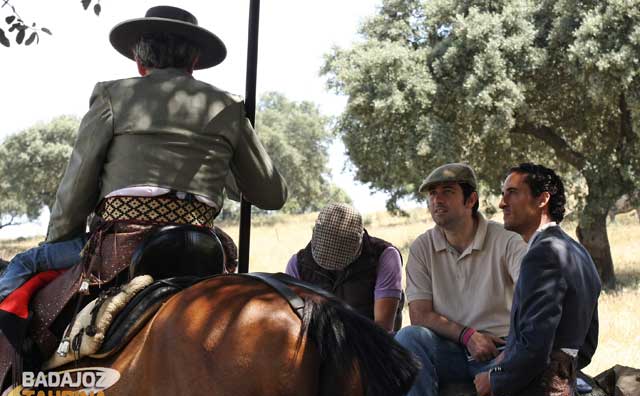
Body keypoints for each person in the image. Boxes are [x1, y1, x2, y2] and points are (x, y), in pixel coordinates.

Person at [0, 6, 287, 297]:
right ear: (194, 61)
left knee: (26, 262)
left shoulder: (112, 96)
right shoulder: (229, 107)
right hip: (202, 248)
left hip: (121, 246)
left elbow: (78, 183)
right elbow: (271, 195)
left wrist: (60, 239)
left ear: (139, 60)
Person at [395, 163, 527, 396]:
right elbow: (419, 315)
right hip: (448, 349)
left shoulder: (506, 241)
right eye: (432, 194)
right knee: (408, 337)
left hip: (498, 350)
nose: (437, 199)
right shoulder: (423, 247)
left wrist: (511, 349)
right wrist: (468, 336)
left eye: (447, 191)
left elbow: (533, 298)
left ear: (471, 199)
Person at [474, 163, 600, 396]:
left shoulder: (542, 254)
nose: (501, 203)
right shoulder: (577, 252)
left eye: (512, 193)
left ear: (543, 199)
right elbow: (587, 344)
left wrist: (495, 378)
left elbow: (535, 346)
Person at [285, 202, 403, 332]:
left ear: (360, 239)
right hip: (316, 347)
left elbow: (383, 327)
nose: (333, 265)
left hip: (372, 346)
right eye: (326, 253)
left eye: (339, 257)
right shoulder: (298, 264)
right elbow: (292, 324)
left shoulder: (385, 256)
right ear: (314, 233)